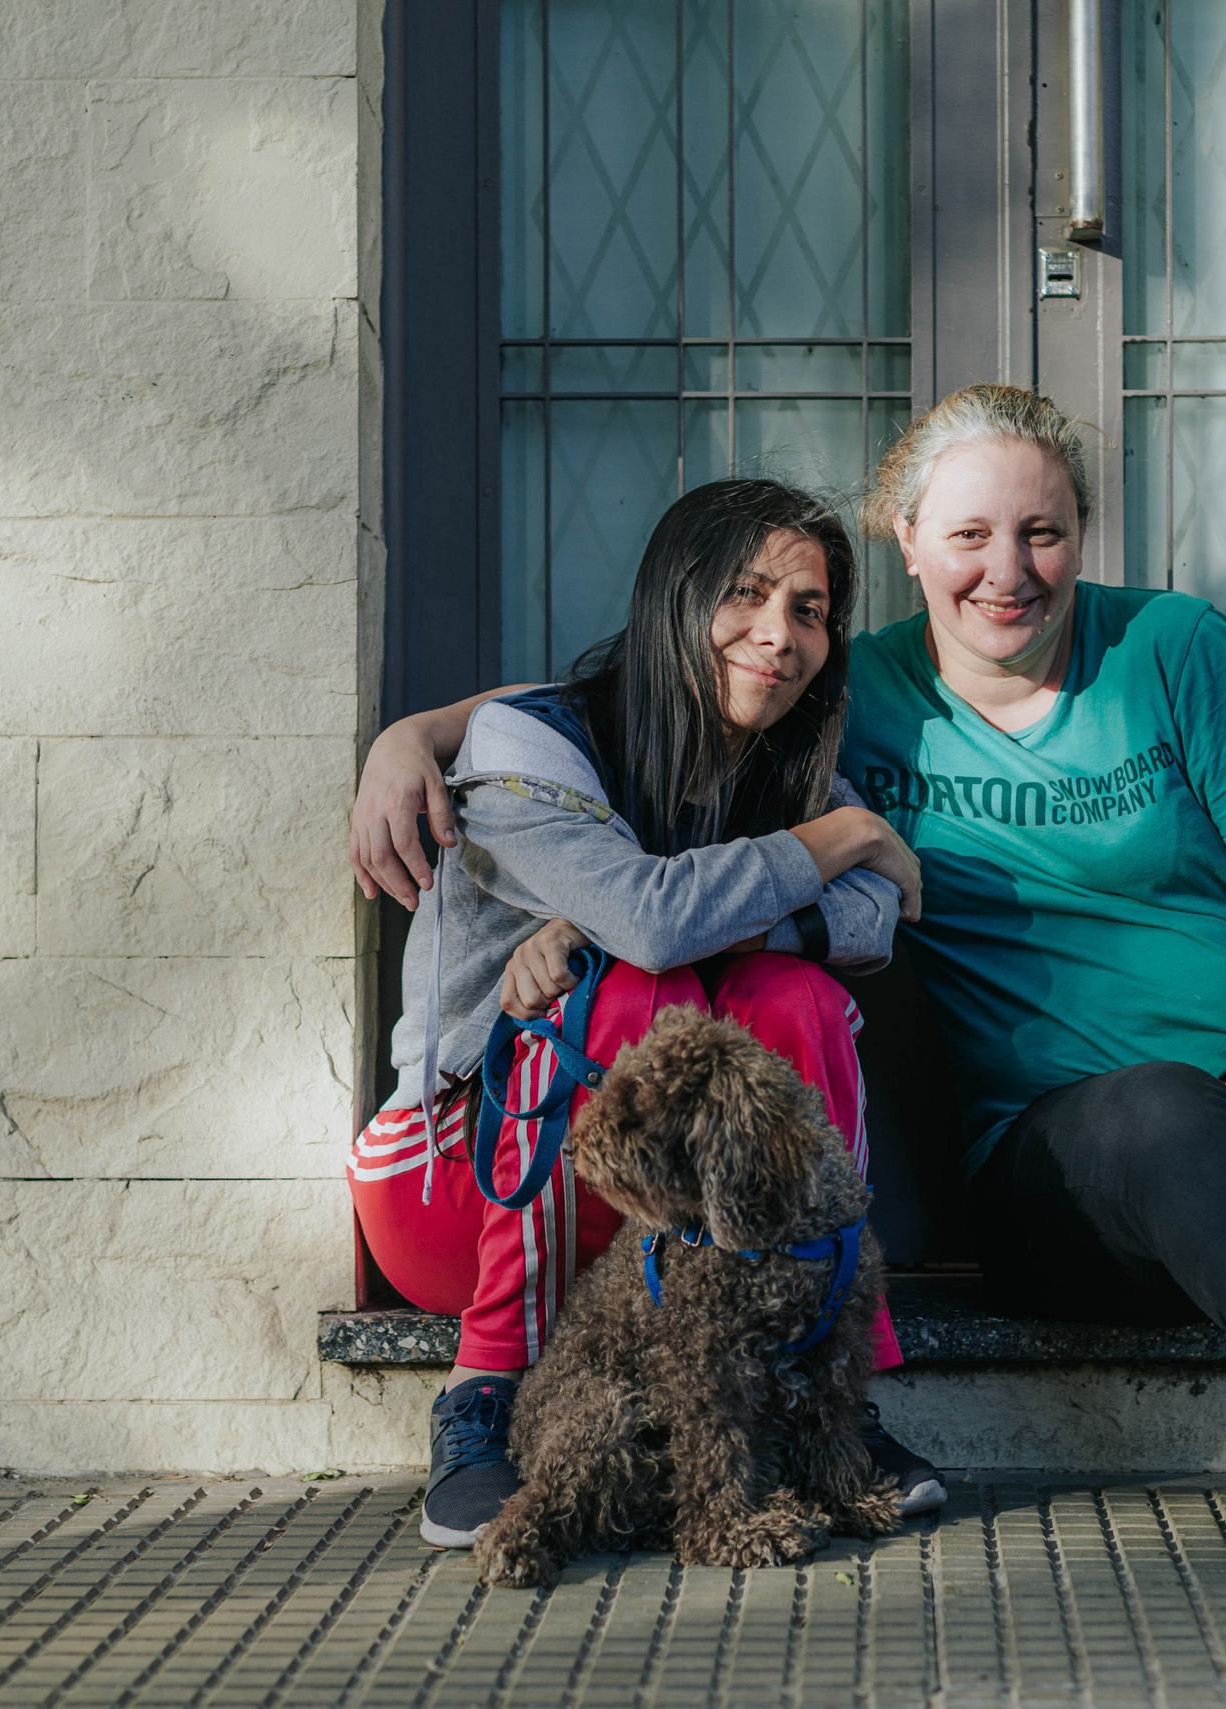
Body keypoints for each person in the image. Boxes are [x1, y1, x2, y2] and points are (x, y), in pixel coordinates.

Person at [360, 388, 1226, 1635]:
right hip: (1072, 1173)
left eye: (1043, 532)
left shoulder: (1176, 649)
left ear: (1082, 535)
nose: (1008, 569)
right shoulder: (857, 691)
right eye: (970, 535)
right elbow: (643, 683)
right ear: (910, 543)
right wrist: (416, 737)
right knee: (1160, 1109)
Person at [349, 477, 948, 1551]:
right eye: (745, 593)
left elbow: (870, 922)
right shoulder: (532, 740)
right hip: (454, 1182)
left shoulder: (786, 760)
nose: (780, 634)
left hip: (660, 1220)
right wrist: (845, 837)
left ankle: (830, 1390)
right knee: (629, 987)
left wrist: (700, 923)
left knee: (793, 995)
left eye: (809, 609)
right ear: (675, 595)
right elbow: (655, 918)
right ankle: (484, 1389)